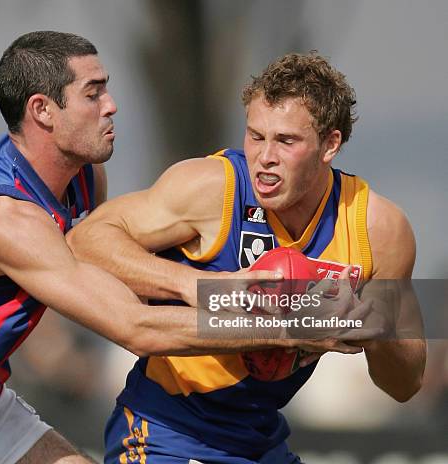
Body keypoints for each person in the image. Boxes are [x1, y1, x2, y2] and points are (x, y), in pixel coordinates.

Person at [0, 33, 363, 464]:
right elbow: (133, 327)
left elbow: (103, 274)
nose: (112, 105)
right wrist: (286, 323)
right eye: (93, 93)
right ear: (43, 111)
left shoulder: (86, 179)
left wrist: (219, 291)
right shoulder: (1, 217)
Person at [68, 52, 427, 463]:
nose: (265, 156)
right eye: (256, 136)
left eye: (286, 141)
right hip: (168, 430)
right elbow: (86, 239)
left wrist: (374, 330)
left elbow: (406, 384)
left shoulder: (377, 229)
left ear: (330, 144)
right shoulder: (211, 187)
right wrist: (197, 287)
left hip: (260, 439)